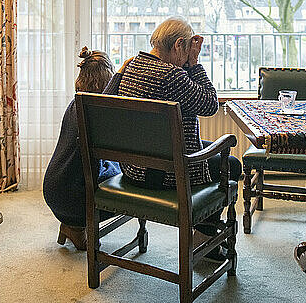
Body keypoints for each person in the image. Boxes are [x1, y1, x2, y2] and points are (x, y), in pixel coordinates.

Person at [104, 17, 241, 262]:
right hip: (162, 174)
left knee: (210, 150)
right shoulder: (172, 76)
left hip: (132, 169)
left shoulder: (133, 66)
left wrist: (187, 61)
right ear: (179, 45)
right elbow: (210, 104)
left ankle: (203, 235)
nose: (189, 54)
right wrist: (195, 63)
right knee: (230, 163)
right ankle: (204, 239)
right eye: (188, 48)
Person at [43, 47, 121, 251]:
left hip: (53, 189)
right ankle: (76, 227)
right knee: (125, 175)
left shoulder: (75, 103)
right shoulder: (94, 114)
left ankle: (71, 225)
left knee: (107, 166)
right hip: (72, 198)